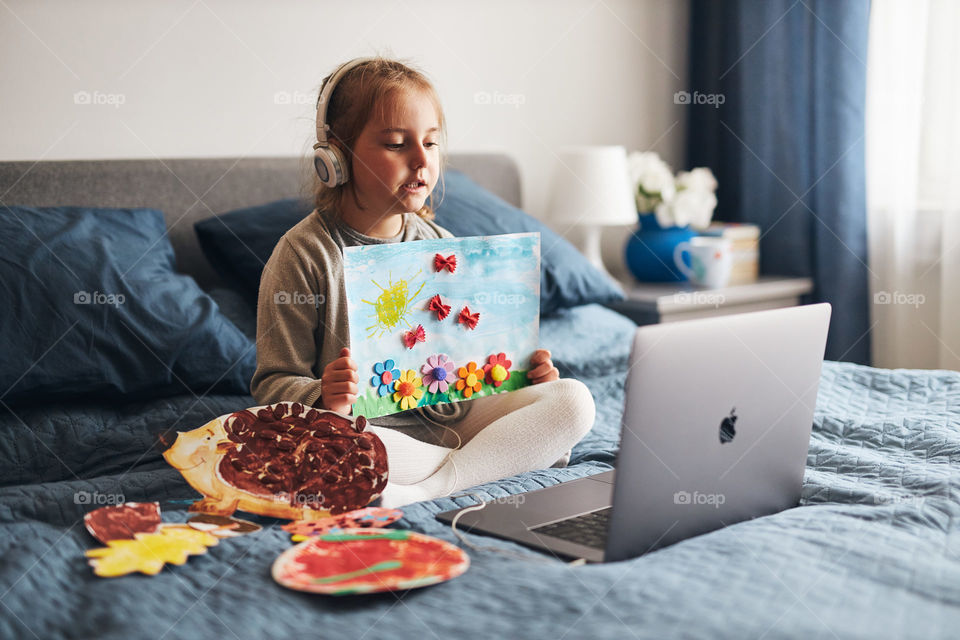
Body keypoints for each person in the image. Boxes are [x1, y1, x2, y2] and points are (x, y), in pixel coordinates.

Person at [251, 56, 595, 507]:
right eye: (396, 144)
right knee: (291, 441)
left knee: (573, 400)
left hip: (454, 422)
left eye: (431, 144)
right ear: (335, 156)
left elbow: (465, 366)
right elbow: (273, 382)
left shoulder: (442, 244)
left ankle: (433, 485)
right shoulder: (304, 254)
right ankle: (490, 462)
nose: (420, 161)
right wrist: (322, 395)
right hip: (371, 433)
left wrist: (522, 381)